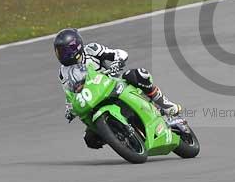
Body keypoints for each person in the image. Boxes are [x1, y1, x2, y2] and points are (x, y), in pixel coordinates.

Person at [53, 28, 182, 149]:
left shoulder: (92, 50)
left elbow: (119, 53)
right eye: (58, 52)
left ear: (75, 47)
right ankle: (121, 137)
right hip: (93, 100)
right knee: (90, 139)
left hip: (112, 85)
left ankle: (165, 105)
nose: (61, 55)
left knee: (137, 74)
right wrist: (69, 109)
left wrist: (117, 62)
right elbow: (69, 94)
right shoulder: (63, 72)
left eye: (63, 51)